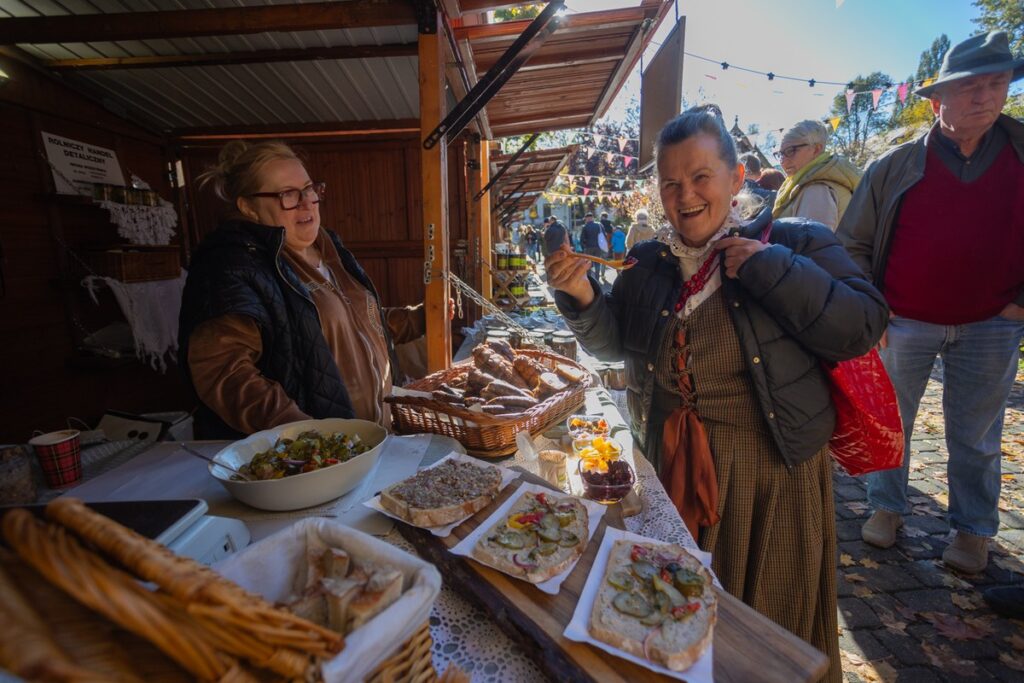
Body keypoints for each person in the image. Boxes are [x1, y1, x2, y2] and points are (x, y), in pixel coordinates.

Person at [545, 105, 888, 682]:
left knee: (763, 632)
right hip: (674, 472)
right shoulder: (647, 262)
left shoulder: (798, 242)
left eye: (701, 177)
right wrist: (580, 294)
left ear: (736, 178)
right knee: (675, 614)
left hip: (770, 479)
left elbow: (862, 323)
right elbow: (614, 345)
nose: (686, 195)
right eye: (671, 182)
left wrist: (772, 269)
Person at [838, 31, 1024, 574]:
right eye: (970, 87)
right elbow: (853, 243)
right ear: (937, 98)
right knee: (890, 422)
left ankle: (972, 531)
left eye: (996, 85)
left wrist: (1020, 305)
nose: (986, 97)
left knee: (977, 436)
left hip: (993, 322)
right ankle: (886, 508)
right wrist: (872, 308)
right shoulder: (894, 165)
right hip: (905, 320)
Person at [179, 140, 428, 438]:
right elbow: (222, 371)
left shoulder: (329, 249)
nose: (306, 202)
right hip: (319, 461)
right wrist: (306, 434)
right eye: (287, 194)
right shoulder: (231, 266)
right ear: (248, 207)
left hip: (373, 442)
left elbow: (359, 324)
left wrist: (422, 318)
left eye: (309, 189)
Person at [772, 120, 861, 230]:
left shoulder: (816, 190)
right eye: (780, 154)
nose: (783, 161)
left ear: (816, 149)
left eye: (790, 151)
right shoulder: (806, 183)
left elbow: (813, 245)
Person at [580, 212, 605, 278]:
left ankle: (590, 279)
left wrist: (583, 248)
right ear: (592, 218)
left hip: (588, 247)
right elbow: (603, 236)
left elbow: (582, 239)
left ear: (587, 218)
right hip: (598, 247)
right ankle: (597, 278)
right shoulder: (599, 225)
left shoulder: (585, 227)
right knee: (597, 263)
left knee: (588, 264)